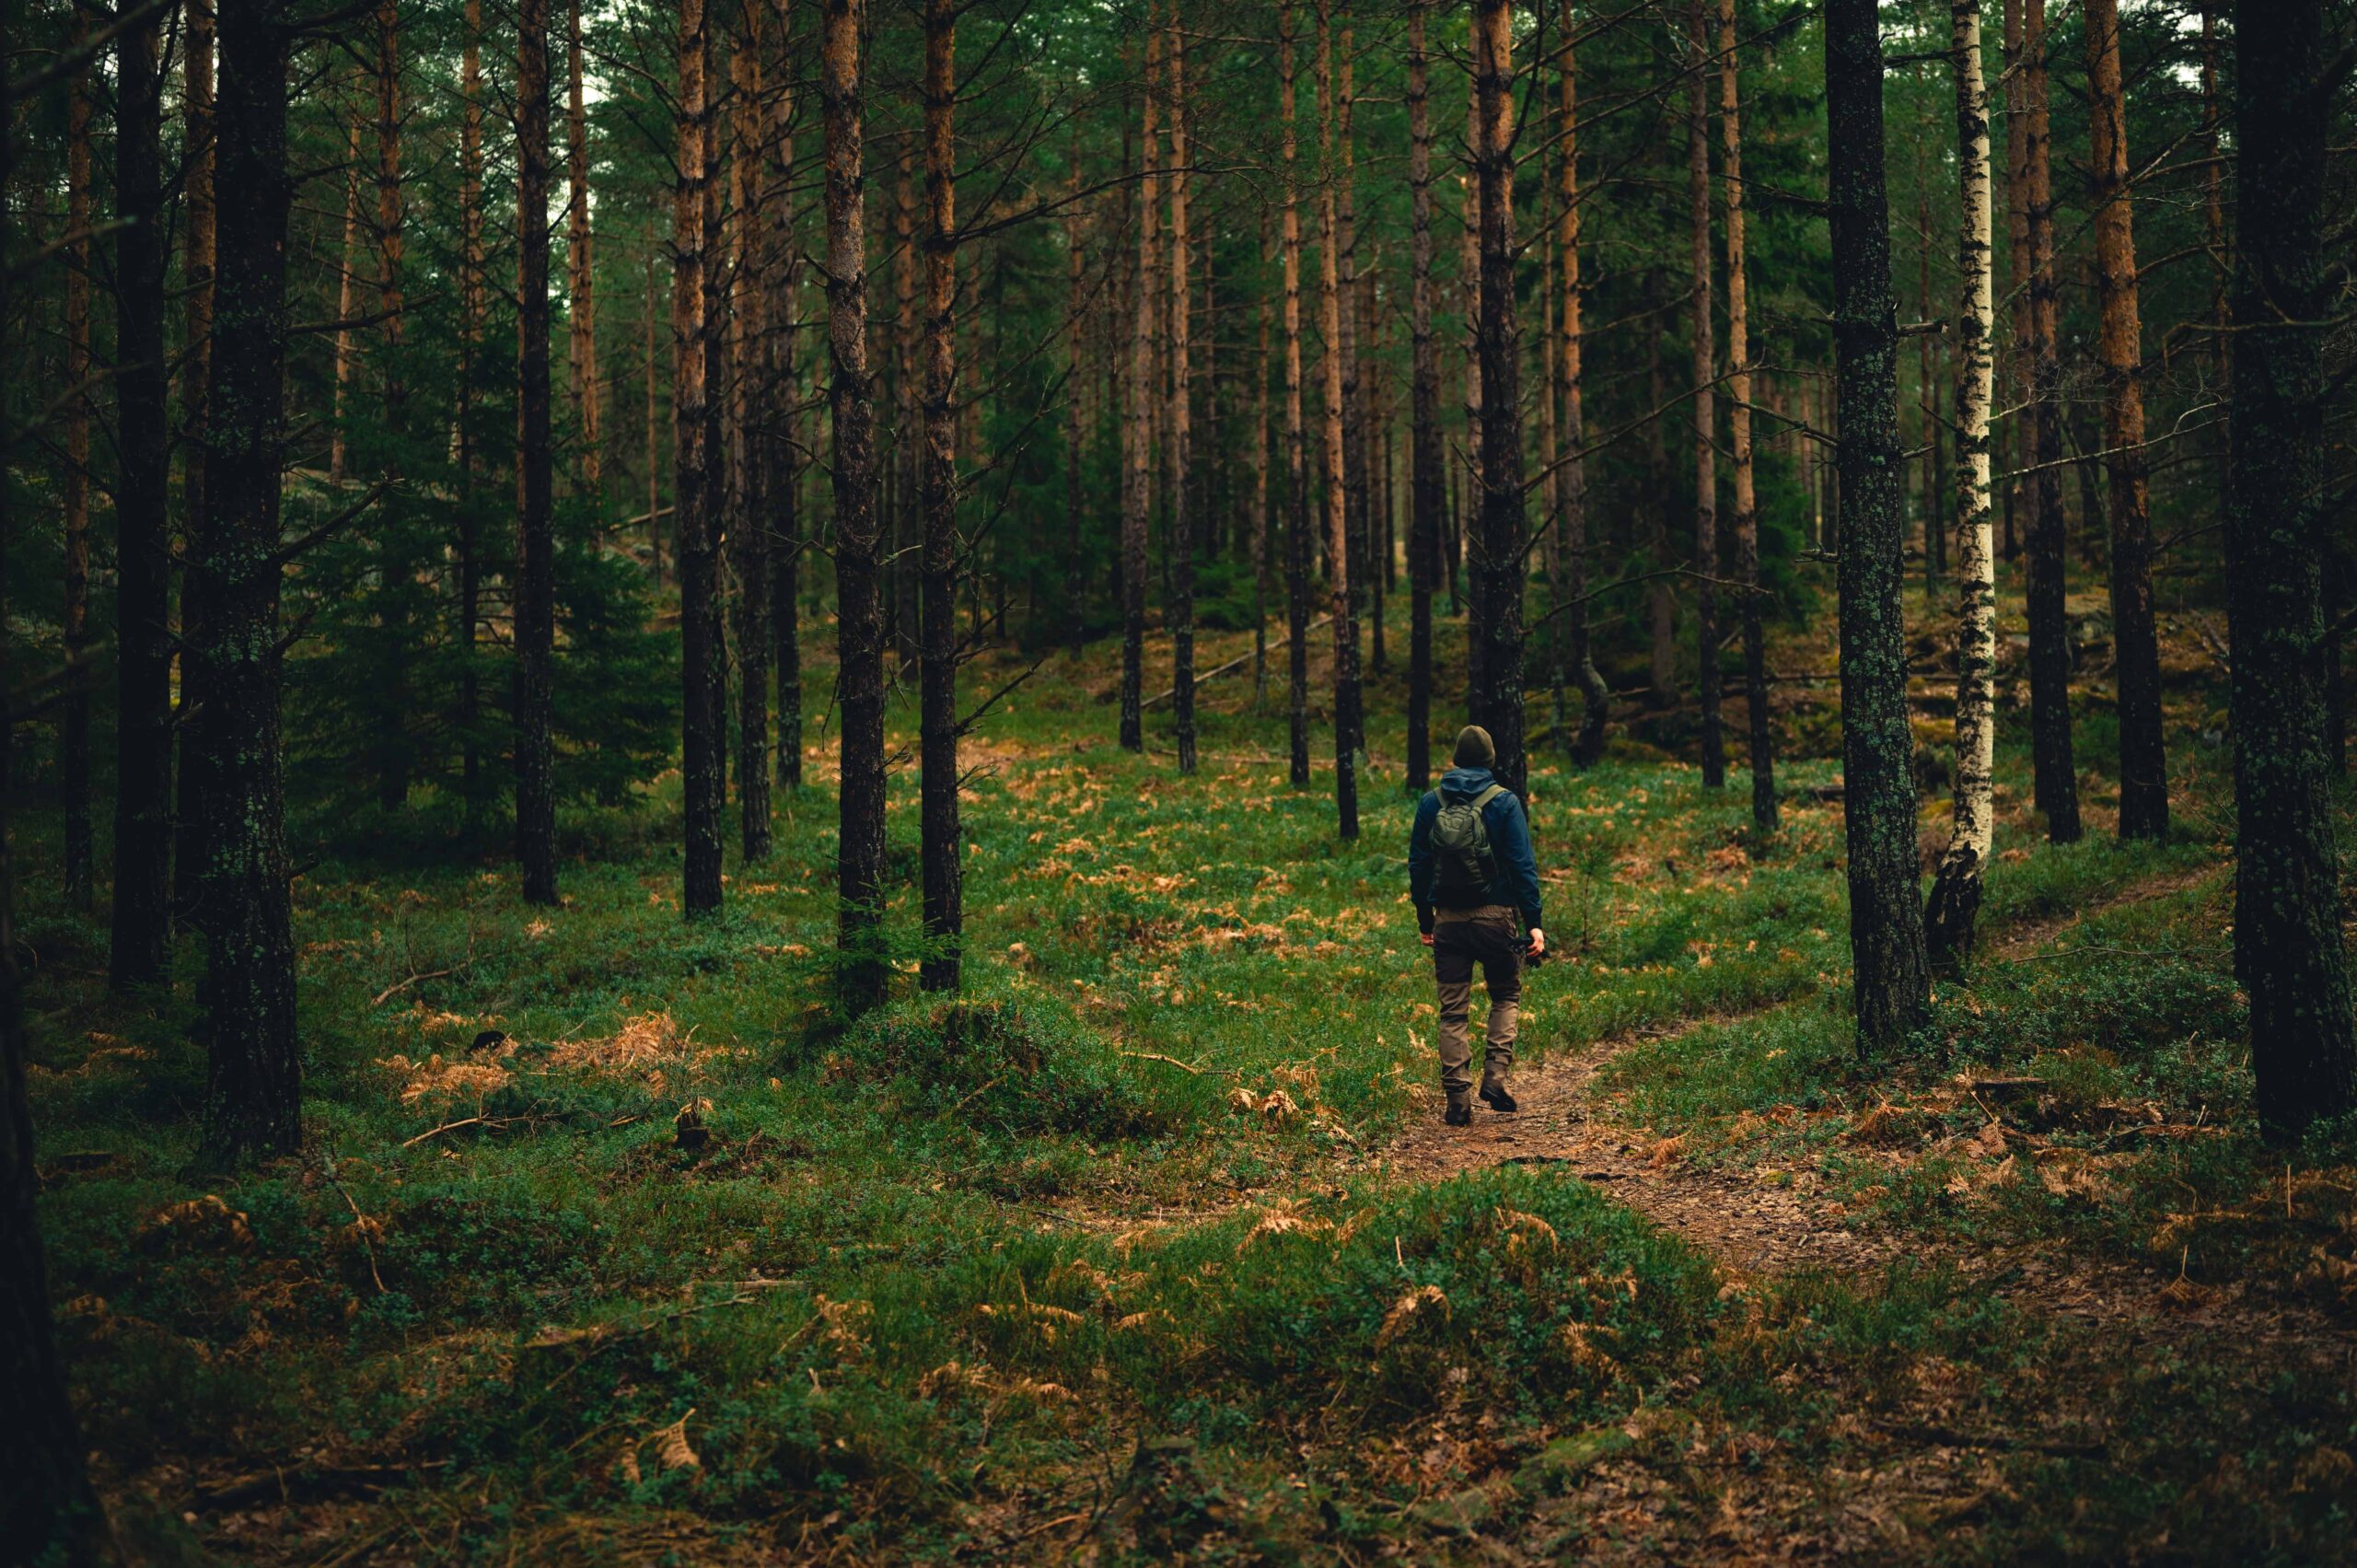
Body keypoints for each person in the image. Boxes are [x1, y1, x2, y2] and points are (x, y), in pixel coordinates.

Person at [1407, 726, 1544, 1126]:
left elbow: (1418, 866)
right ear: (1490, 761)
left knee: (1452, 1014)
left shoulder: (1431, 803)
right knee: (1505, 996)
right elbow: (1523, 867)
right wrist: (1533, 922)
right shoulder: (1504, 802)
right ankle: (1495, 1078)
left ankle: (1457, 1101)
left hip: (1447, 920)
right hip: (1496, 919)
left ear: (1455, 760)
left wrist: (1425, 919)